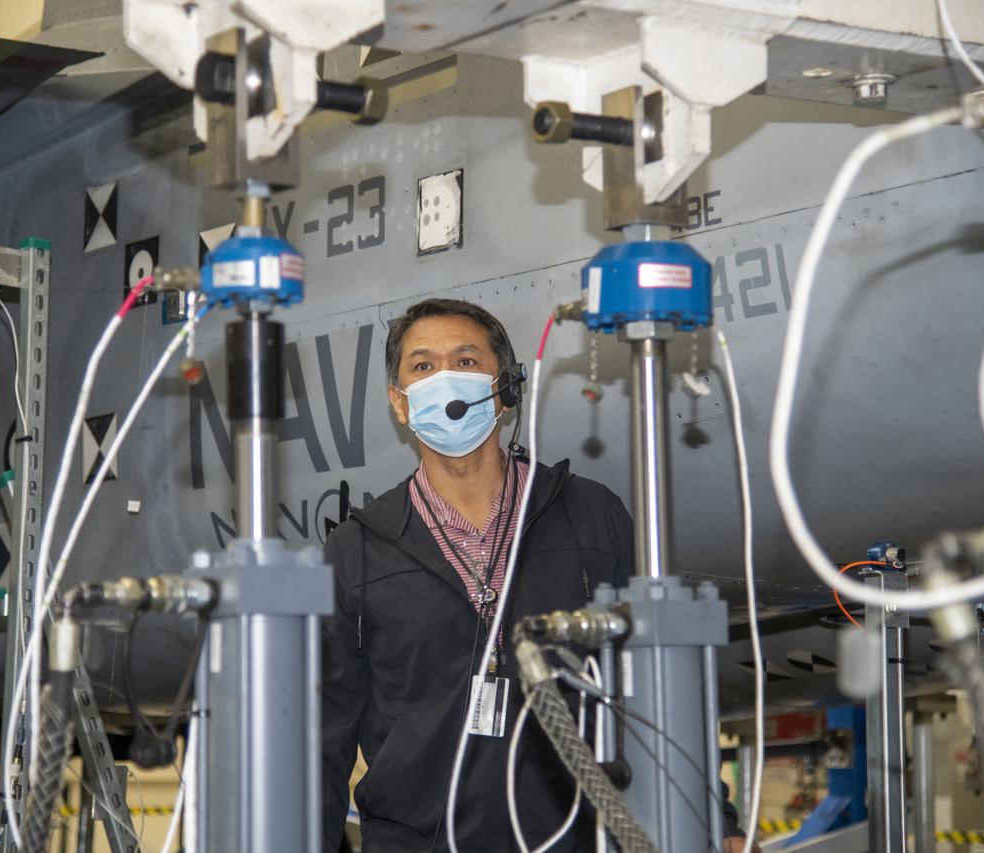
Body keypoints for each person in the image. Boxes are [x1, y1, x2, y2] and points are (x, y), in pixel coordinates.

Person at [321, 298, 753, 852]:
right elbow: (322, 740)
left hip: (581, 840)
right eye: (422, 366)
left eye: (467, 360)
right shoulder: (356, 550)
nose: (445, 379)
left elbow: (657, 689)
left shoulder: (592, 517)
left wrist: (718, 823)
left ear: (504, 391)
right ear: (399, 404)